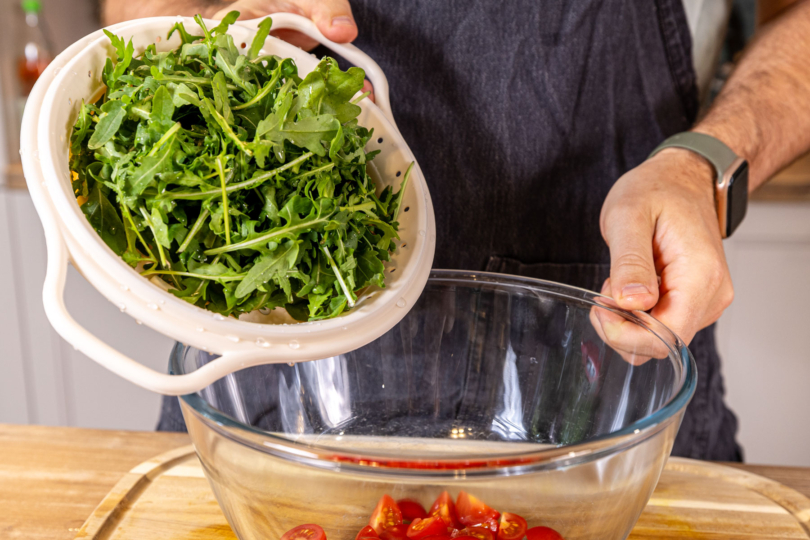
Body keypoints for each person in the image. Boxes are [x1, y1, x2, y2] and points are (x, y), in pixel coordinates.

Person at [102, 0, 809, 461]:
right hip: (270, 408)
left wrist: (705, 162)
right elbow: (141, 12)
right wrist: (205, 28)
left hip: (606, 405)